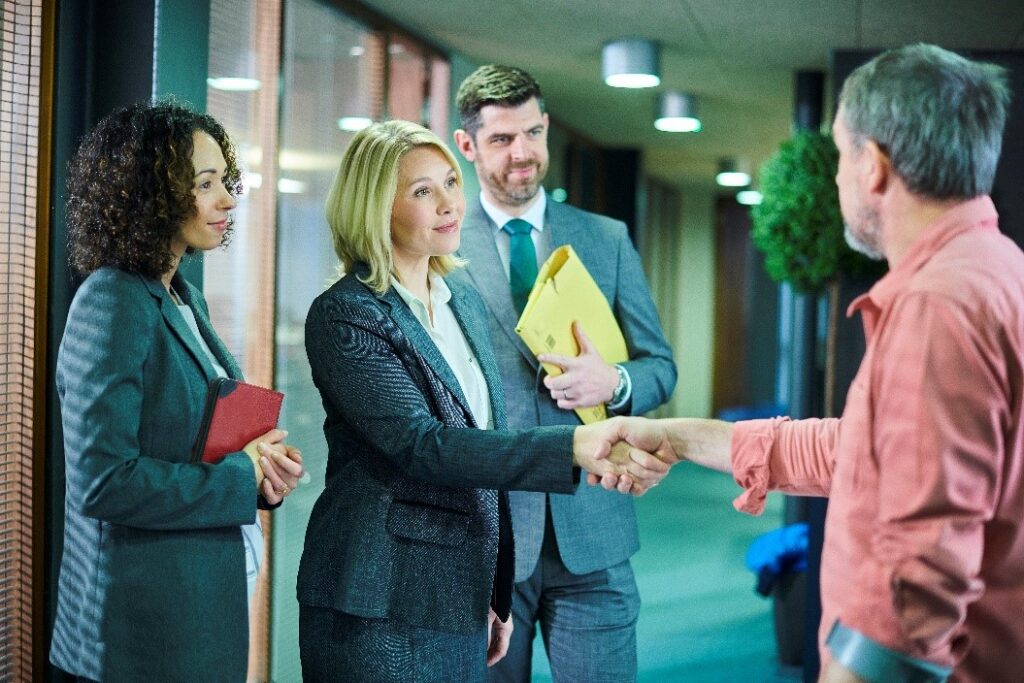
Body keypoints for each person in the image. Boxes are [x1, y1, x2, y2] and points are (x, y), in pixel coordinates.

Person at [601, 44, 1023, 683]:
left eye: (840, 155)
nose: (834, 179)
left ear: (874, 166)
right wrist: (679, 437)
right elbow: (859, 453)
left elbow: (919, 577)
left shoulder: (937, 305)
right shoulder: (991, 270)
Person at [296, 120, 668, 683]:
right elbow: (428, 447)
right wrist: (573, 445)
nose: (449, 203)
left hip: (460, 590)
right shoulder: (347, 314)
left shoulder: (459, 301)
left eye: (450, 182)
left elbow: (483, 446)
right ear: (375, 207)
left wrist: (493, 587)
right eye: (423, 191)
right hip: (382, 596)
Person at [50, 101, 305, 682]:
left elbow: (189, 444)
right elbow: (102, 481)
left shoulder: (182, 294)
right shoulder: (111, 298)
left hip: (199, 612)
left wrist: (260, 474)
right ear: (150, 194)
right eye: (205, 184)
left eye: (226, 181)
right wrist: (238, 477)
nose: (227, 200)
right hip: (139, 637)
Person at [451, 64, 678, 681]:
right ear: (467, 145)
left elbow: (661, 367)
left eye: (532, 133)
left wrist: (618, 384)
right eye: (501, 140)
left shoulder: (605, 240)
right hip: (489, 536)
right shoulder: (441, 249)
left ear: (547, 127)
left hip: (595, 530)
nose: (522, 154)